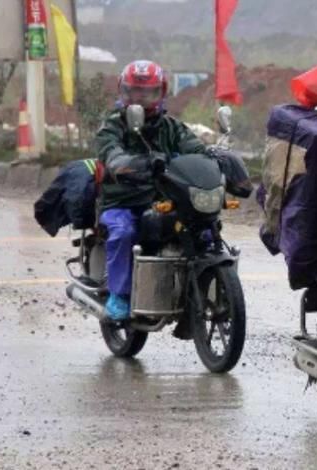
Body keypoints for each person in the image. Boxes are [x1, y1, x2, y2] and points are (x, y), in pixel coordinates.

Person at [94, 60, 208, 321]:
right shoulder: (112, 125)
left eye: (148, 92)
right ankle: (119, 294)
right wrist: (131, 163)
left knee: (199, 227)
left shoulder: (170, 127)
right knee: (124, 231)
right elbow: (111, 154)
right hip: (121, 200)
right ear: (123, 92)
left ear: (160, 93)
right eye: (134, 91)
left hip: (160, 198)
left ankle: (199, 288)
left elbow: (195, 148)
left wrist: (216, 157)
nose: (140, 98)